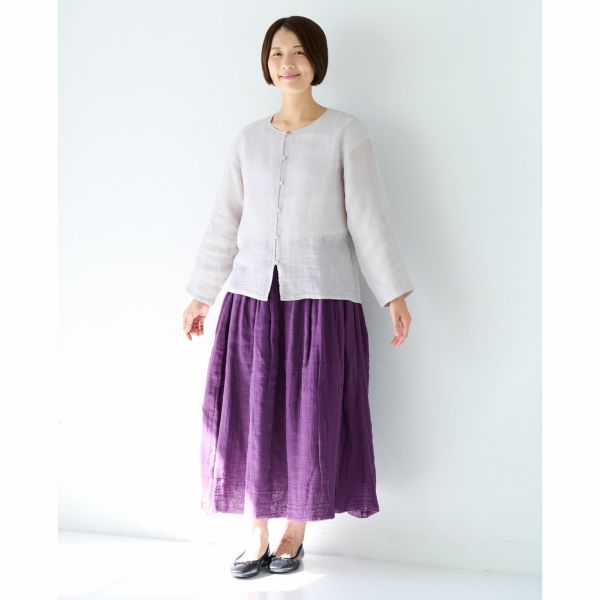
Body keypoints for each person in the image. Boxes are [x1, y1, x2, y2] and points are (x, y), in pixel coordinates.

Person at [182, 16, 415, 578]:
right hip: (251, 300)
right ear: (267, 64)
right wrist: (200, 296)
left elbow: (369, 219)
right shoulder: (248, 140)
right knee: (249, 416)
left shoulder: (346, 133)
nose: (287, 63)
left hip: (321, 300)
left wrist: (393, 294)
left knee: (310, 414)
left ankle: (295, 531)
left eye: (299, 52)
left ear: (317, 62)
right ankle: (254, 531)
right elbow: (225, 222)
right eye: (277, 53)